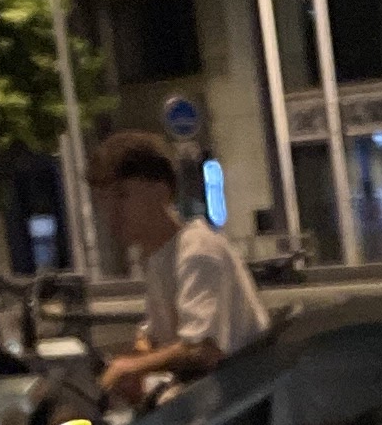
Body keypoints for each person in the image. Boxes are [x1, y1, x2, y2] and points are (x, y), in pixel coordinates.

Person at [93, 129, 267, 404]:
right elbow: (158, 333)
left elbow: (202, 349)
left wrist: (129, 367)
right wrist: (142, 350)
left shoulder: (197, 249)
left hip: (231, 406)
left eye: (122, 196)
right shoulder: (159, 257)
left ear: (161, 191)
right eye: (104, 201)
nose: (111, 212)